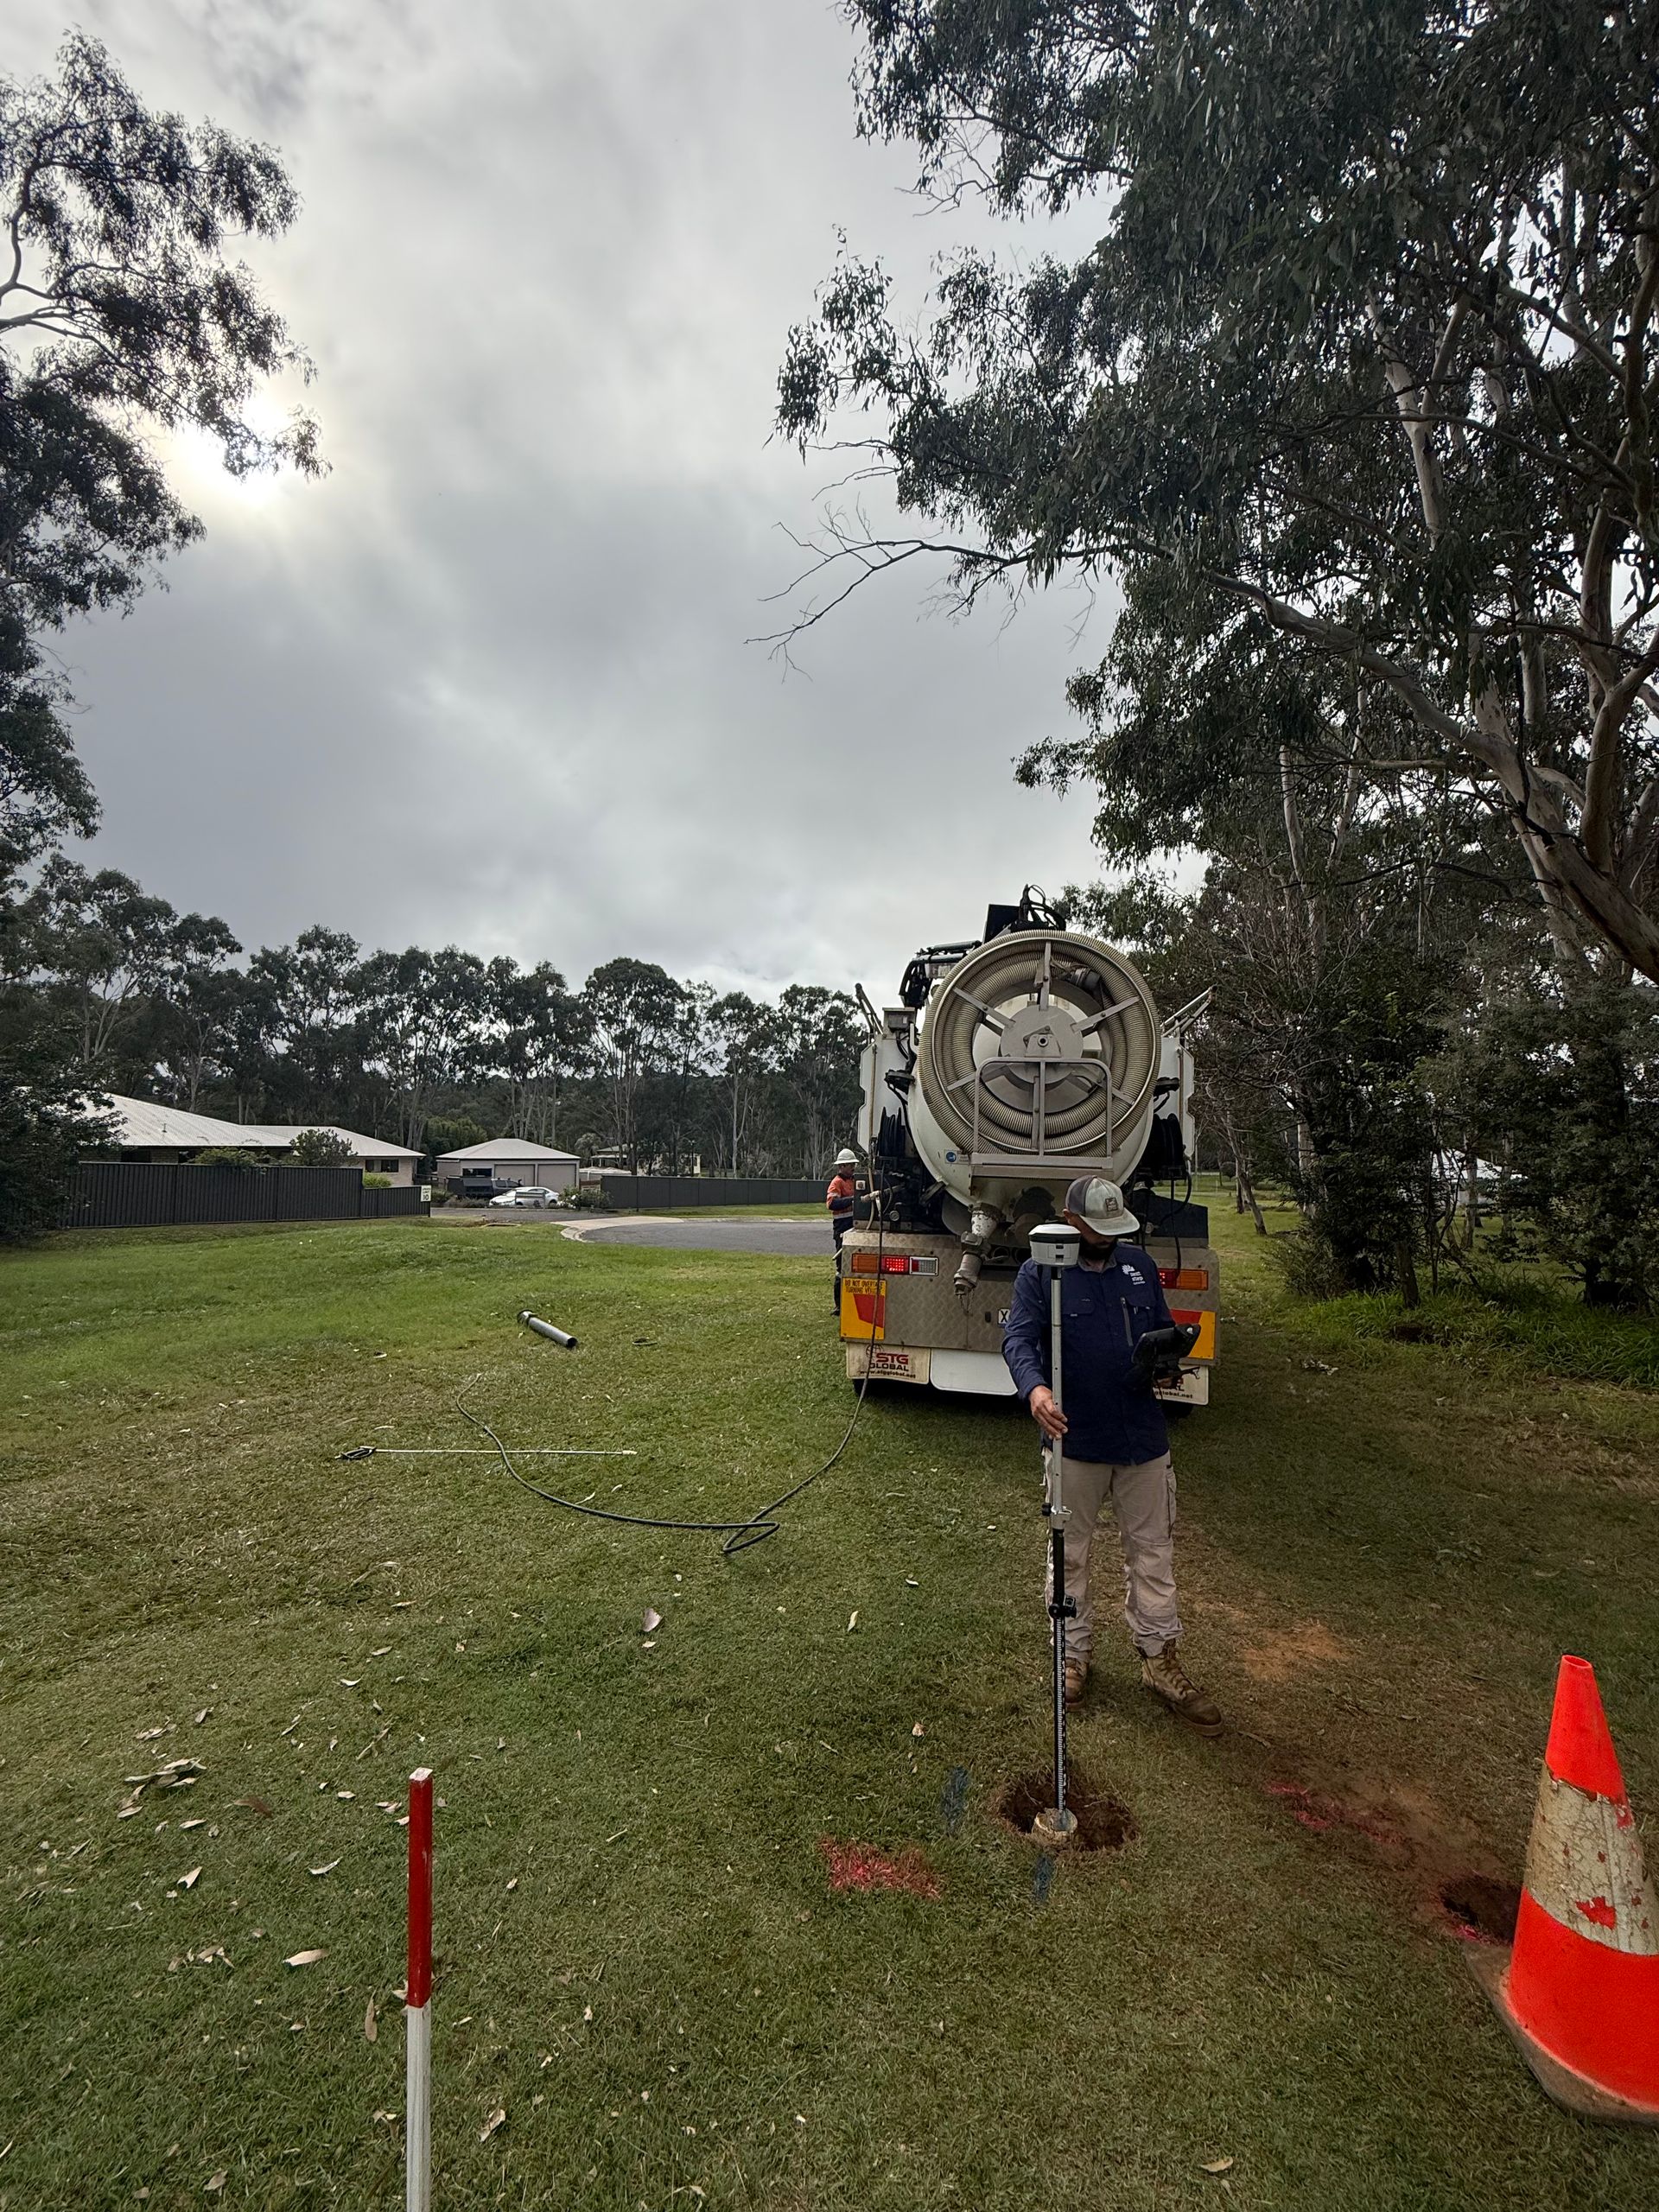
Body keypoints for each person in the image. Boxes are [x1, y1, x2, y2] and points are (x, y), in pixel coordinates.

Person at [1001, 1173, 1221, 1735]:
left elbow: (1161, 1330)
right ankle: (1072, 1656)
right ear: (1073, 1222)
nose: (1107, 1238)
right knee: (1070, 1554)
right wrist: (1036, 1391)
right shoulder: (1041, 1272)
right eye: (1097, 1229)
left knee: (1153, 1553)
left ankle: (1159, 1659)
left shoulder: (1139, 1268)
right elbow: (1019, 1340)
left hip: (1142, 1438)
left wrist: (1168, 1360)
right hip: (1075, 1437)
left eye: (1114, 1229)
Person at [826, 1146, 862, 1310]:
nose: (853, 1168)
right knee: (841, 1266)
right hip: (841, 1228)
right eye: (850, 1165)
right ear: (842, 1166)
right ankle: (838, 1305)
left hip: (853, 1225)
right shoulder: (837, 1183)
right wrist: (852, 1201)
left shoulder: (853, 1181)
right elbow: (832, 1203)